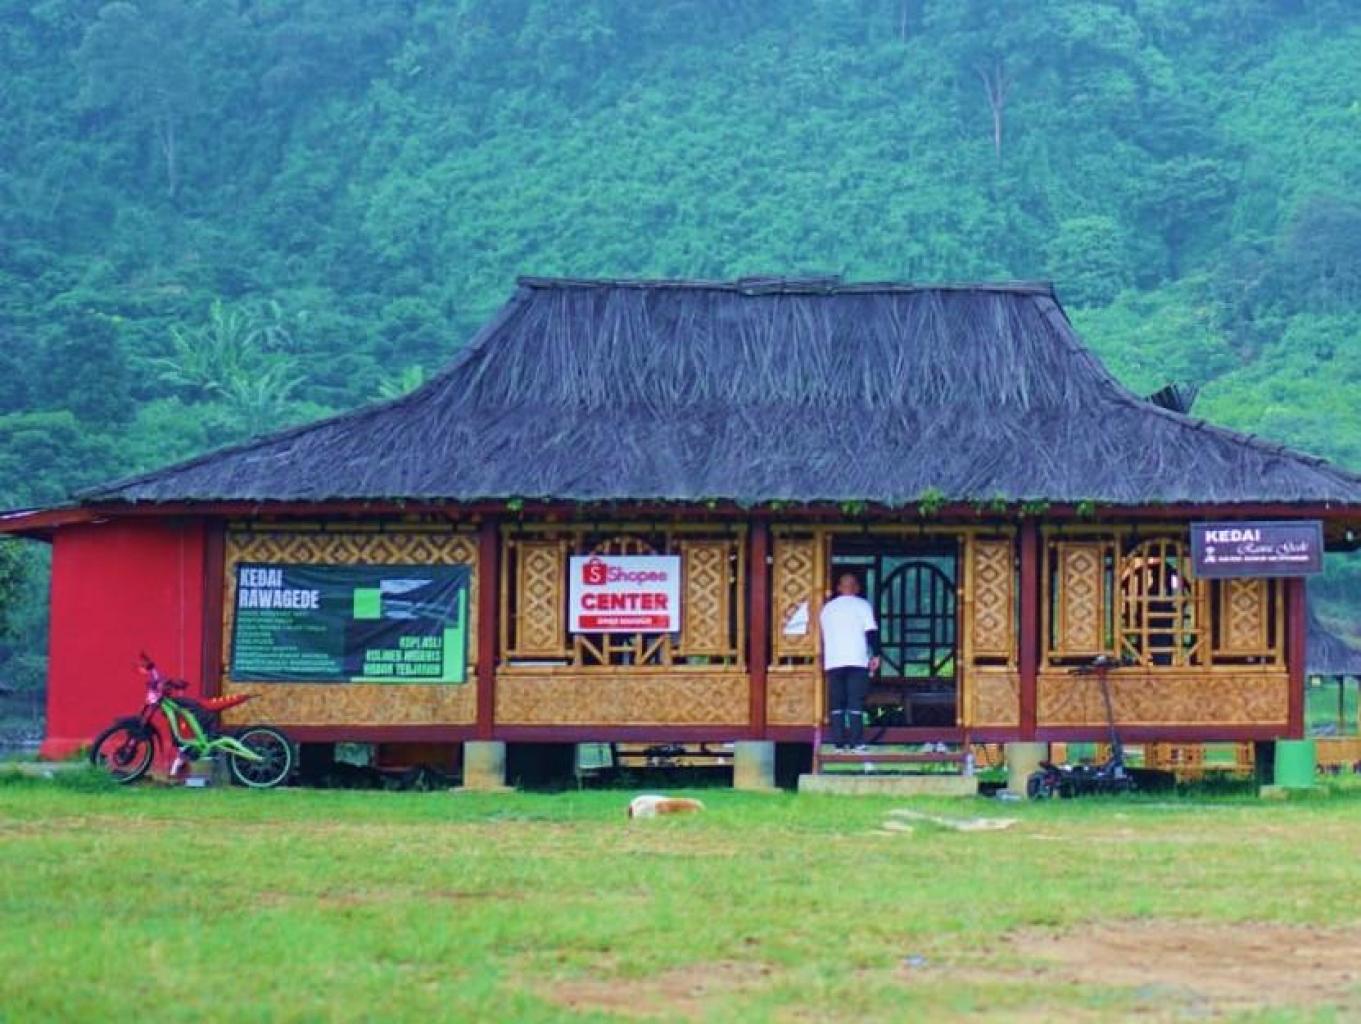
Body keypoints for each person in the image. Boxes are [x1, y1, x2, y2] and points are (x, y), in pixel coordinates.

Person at [819, 572, 881, 752]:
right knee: (855, 701)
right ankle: (856, 742)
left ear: (839, 588)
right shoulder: (862, 605)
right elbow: (871, 632)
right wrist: (876, 655)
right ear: (857, 588)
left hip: (833, 661)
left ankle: (838, 743)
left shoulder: (827, 609)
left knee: (836, 703)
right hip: (857, 660)